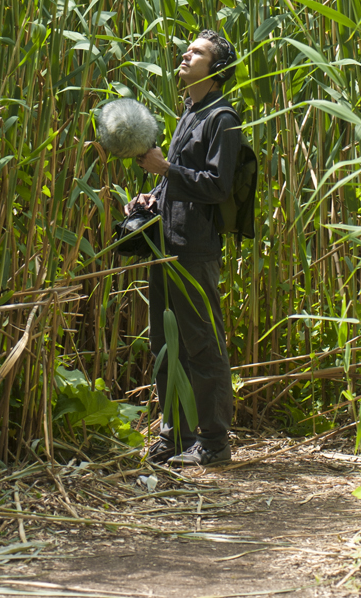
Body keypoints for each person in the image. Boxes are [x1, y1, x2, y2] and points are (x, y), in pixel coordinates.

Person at [128, 29, 241, 467]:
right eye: (187, 49)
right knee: (164, 342)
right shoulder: (190, 112)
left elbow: (217, 187)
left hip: (195, 248)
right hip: (166, 242)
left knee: (201, 343)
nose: (185, 54)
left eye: (196, 52)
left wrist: (166, 168)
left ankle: (213, 442)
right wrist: (153, 194)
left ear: (215, 69)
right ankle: (176, 434)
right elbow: (175, 177)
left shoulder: (222, 119)